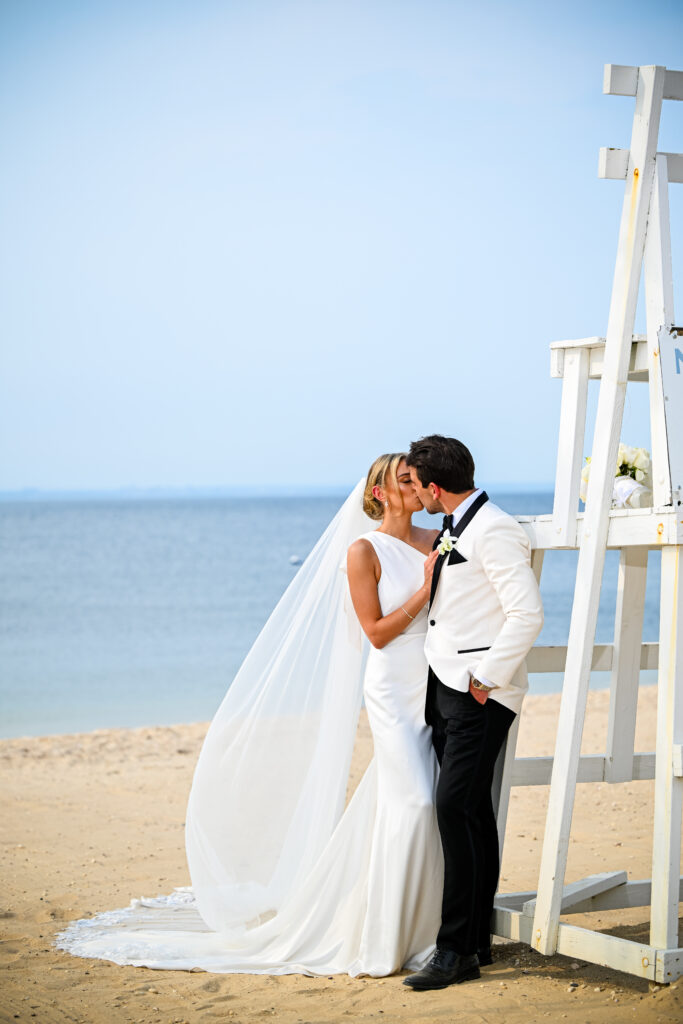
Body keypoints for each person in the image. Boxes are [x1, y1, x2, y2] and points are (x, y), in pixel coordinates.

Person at [56, 455, 444, 976]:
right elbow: (373, 631)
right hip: (393, 689)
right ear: (378, 493)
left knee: (415, 801)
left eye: (417, 478)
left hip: (439, 683)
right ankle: (385, 939)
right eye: (404, 479)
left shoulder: (438, 538)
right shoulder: (363, 551)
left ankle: (421, 927)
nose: (417, 486)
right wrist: (425, 587)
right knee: (415, 801)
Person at [402, 434, 544, 991]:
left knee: (452, 806)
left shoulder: (494, 528)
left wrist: (485, 678)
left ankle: (453, 949)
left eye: (418, 486)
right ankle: (477, 943)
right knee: (472, 813)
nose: (419, 495)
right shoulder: (452, 527)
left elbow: (526, 613)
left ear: (435, 488)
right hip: (446, 688)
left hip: (479, 692)